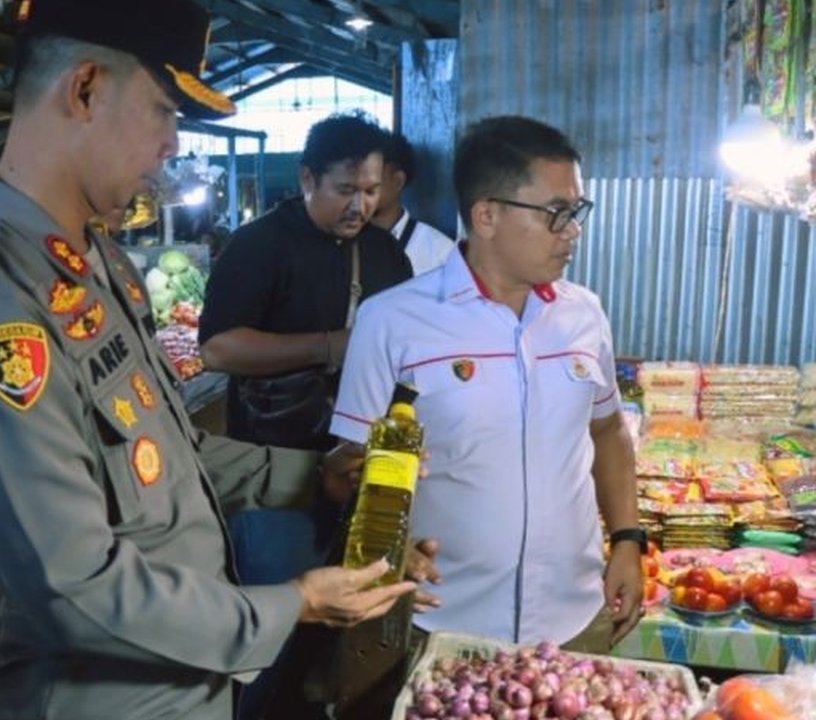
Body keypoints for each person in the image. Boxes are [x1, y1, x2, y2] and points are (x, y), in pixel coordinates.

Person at [0, 2, 416, 718]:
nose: (174, 143)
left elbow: (162, 452)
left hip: (185, 685)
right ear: (84, 89)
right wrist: (290, 604)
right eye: (163, 109)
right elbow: (72, 586)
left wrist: (313, 477)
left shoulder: (94, 263)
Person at [331, 116, 642, 654]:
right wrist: (387, 543)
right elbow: (344, 470)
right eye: (557, 214)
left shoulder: (583, 315)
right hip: (441, 622)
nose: (572, 231)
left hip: (573, 617)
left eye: (576, 212)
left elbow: (609, 432)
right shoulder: (393, 323)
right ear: (487, 215)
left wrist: (628, 541)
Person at [199, 111, 413, 453]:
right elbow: (216, 350)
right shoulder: (257, 244)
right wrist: (330, 346)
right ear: (308, 179)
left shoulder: (385, 251)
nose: (360, 206)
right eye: (346, 190)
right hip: (274, 456)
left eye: (372, 191)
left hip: (361, 453)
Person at [368, 132, 454, 275]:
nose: (360, 184)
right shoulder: (343, 241)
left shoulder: (441, 253)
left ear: (397, 181)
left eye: (371, 175)